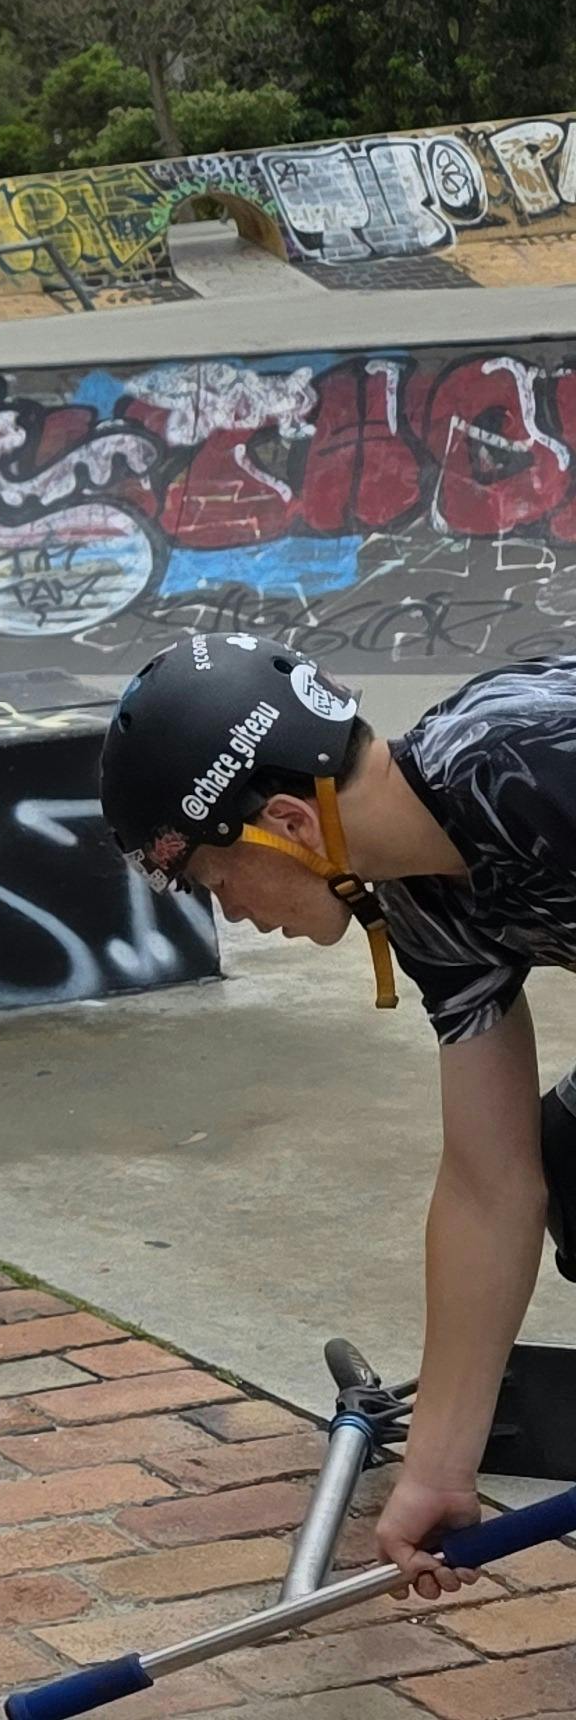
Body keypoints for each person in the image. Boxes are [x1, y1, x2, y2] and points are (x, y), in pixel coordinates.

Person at [100, 635, 576, 1596]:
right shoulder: (428, 900)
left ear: (286, 822)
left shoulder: (524, 765)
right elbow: (491, 1187)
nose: (229, 914)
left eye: (210, 882)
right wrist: (439, 1462)